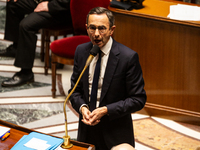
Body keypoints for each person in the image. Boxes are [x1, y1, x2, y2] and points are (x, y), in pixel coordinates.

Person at [69, 7, 146, 150]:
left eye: (102, 29)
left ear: (112, 30)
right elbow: (74, 91)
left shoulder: (127, 57)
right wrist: (82, 107)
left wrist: (106, 110)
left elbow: (138, 99)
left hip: (115, 133)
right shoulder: (81, 51)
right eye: (92, 28)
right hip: (87, 132)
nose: (96, 34)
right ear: (86, 28)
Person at [0, 0, 71, 87]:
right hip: (46, 2)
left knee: (26, 26)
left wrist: (50, 6)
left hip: (60, 10)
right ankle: (17, 47)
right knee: (13, 4)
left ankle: (26, 73)